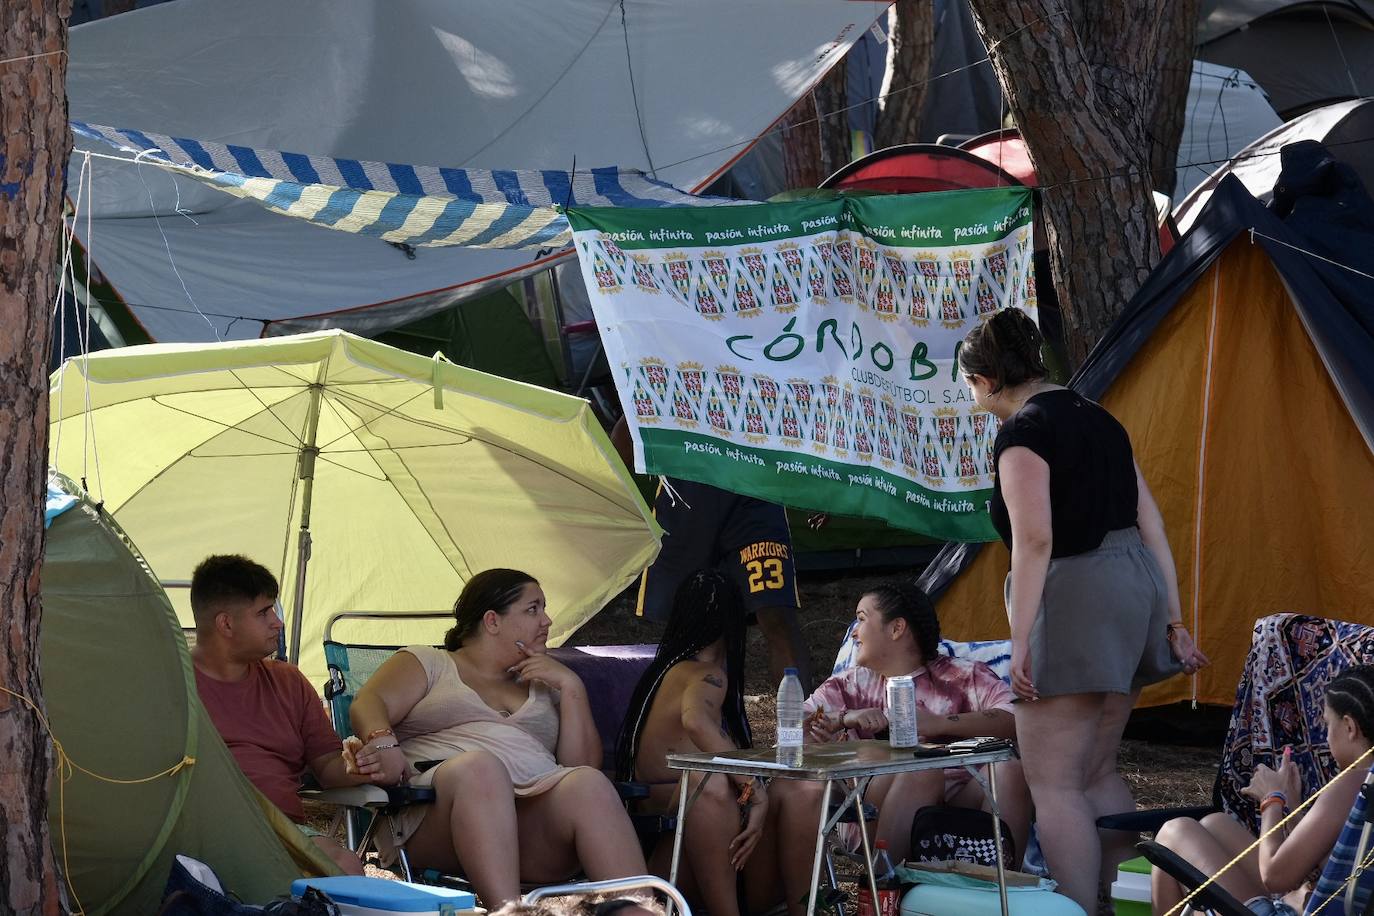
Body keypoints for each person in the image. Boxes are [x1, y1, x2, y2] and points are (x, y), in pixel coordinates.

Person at [958, 308, 1211, 914]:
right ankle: (1119, 902)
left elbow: (1035, 541)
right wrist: (1172, 619)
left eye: (969, 383)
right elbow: (1149, 521)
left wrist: (1019, 645)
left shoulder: (1023, 432)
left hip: (1077, 593)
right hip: (1134, 589)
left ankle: (1079, 907)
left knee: (1055, 783)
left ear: (989, 380)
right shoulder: (1099, 417)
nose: (970, 394)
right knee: (1097, 769)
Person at [346, 568, 646, 907]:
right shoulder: (431, 662)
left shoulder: (547, 683)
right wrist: (385, 743)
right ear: (492, 622)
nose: (546, 621)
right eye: (533, 609)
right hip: (433, 818)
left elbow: (579, 766)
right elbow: (369, 702)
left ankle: (637, 912)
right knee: (482, 768)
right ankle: (508, 912)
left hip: (529, 827)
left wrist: (572, 689)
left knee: (589, 784)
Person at [617, 570, 817, 916]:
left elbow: (715, 749)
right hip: (676, 859)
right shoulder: (705, 675)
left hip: (672, 852)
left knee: (790, 788)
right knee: (710, 780)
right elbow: (696, 722)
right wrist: (754, 790)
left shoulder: (669, 672)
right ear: (733, 624)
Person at [800, 582, 1032, 866]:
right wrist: (843, 718)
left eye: (861, 619)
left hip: (958, 805)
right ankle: (883, 892)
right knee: (923, 771)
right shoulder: (851, 684)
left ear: (897, 628)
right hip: (874, 810)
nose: (854, 633)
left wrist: (940, 723)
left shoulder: (961, 676)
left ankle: (1006, 891)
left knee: (1010, 769)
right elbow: (792, 726)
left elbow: (1015, 719)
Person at [188, 554, 370, 875]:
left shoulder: (288, 681)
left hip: (284, 832)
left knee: (345, 865)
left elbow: (328, 765)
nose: (278, 622)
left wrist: (365, 765)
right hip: (200, 838)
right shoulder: (172, 685)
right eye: (263, 612)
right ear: (226, 624)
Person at [1151, 666, 1374, 916]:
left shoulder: (1352, 783)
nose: (1326, 738)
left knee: (1173, 833)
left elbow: (1275, 876)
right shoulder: (1366, 784)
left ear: (1349, 727)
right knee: (1216, 823)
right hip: (1318, 904)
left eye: (1328, 724)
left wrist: (1273, 799)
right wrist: (1294, 808)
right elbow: (1331, 863)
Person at [611, 417, 812, 690]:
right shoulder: (667, 375)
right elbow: (623, 442)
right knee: (699, 630)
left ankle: (800, 727)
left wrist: (817, 485)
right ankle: (702, 724)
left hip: (755, 492)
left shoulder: (765, 374)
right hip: (688, 494)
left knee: (777, 616)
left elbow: (805, 400)